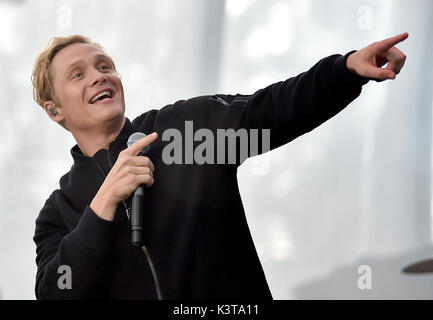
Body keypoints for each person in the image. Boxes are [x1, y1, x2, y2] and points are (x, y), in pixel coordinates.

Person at [32, 33, 408, 299]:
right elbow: (58, 291)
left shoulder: (184, 131)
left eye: (105, 66)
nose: (100, 76)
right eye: (78, 74)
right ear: (55, 111)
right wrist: (101, 207)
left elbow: (271, 111)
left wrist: (345, 71)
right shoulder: (58, 211)